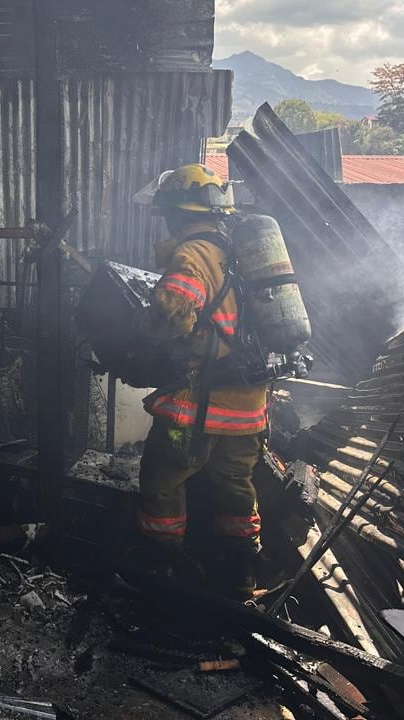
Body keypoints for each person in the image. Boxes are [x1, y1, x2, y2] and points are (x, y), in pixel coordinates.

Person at [133, 162, 267, 599]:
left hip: (197, 406)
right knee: (235, 488)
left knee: (162, 481)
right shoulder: (243, 250)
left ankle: (161, 570)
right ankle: (241, 575)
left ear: (177, 213)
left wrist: (145, 331)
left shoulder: (193, 253)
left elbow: (175, 307)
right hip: (248, 406)